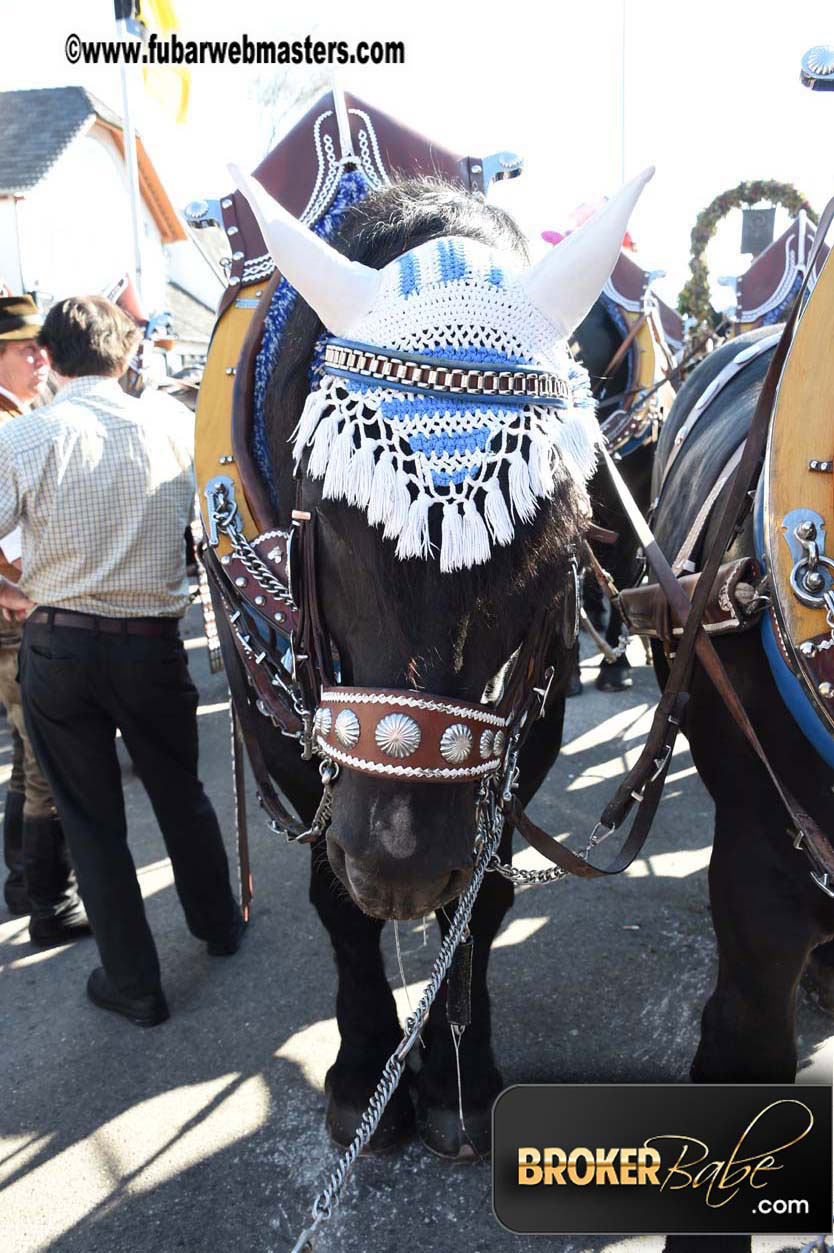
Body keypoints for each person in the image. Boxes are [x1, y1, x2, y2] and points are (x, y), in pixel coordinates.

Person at [0, 295, 242, 1028]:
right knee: (180, 791)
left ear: (54, 356)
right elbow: (218, 531)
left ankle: (135, 982)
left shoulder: (26, 436)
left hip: (60, 642)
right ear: (128, 352)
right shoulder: (173, 424)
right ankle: (218, 922)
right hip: (148, 642)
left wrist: (15, 595)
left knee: (92, 819)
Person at [0, 295, 89, 943]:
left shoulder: (22, 415)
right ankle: (49, 905)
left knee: (27, 752)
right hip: (15, 616)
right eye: (23, 349)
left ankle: (23, 880)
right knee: (44, 757)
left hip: (26, 607)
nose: (39, 357)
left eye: (39, 347)